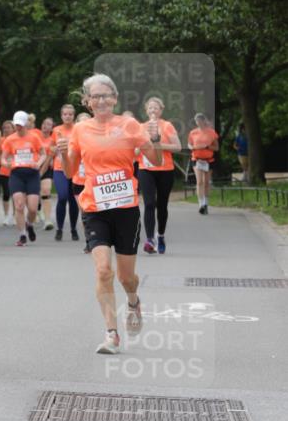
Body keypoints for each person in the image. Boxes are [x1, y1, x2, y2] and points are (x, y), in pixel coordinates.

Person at [60, 73, 162, 355]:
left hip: (126, 207)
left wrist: (151, 142)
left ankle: (132, 300)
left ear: (115, 98)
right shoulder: (80, 131)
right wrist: (61, 155)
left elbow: (155, 160)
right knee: (103, 270)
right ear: (87, 101)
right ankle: (111, 333)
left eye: (106, 95)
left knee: (126, 276)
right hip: (95, 207)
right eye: (95, 96)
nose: (101, 100)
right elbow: (71, 173)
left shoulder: (129, 125)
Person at [137, 97, 181, 254]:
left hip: (165, 169)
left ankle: (160, 235)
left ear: (161, 110)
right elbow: (136, 147)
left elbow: (178, 147)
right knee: (149, 204)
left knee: (162, 206)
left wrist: (158, 145)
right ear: (146, 110)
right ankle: (150, 239)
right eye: (150, 108)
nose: (153, 110)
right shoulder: (141, 127)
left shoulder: (167, 126)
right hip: (145, 169)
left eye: (156, 108)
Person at [1, 111, 46, 246]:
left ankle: (30, 224)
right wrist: (6, 163)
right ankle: (22, 235)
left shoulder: (34, 138)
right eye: (16, 125)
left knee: (32, 208)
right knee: (19, 206)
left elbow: (43, 154)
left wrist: (38, 164)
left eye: (21, 124)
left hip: (32, 174)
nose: (18, 127)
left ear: (26, 123)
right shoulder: (10, 139)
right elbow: (3, 157)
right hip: (16, 174)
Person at [52, 103, 80, 242]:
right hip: (59, 168)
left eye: (70, 114)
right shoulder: (56, 130)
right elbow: (51, 147)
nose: (67, 116)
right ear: (61, 116)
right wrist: (54, 150)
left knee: (73, 199)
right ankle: (59, 228)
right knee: (62, 197)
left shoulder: (78, 129)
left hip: (74, 168)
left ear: (73, 116)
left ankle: (74, 228)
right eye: (65, 114)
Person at [188, 113, 219, 214]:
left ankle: (206, 203)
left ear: (204, 121)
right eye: (197, 121)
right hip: (196, 159)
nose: (199, 122)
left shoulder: (211, 132)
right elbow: (189, 144)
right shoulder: (193, 133)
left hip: (208, 160)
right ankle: (200, 204)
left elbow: (216, 148)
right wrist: (191, 147)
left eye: (201, 120)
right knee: (199, 181)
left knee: (206, 182)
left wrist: (207, 147)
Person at [37, 117, 55, 230]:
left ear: (52, 128)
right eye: (44, 123)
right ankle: (38, 210)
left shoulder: (52, 140)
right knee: (35, 193)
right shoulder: (35, 136)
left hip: (47, 168)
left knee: (46, 190)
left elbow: (50, 156)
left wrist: (42, 170)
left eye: (48, 124)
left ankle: (48, 220)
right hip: (33, 167)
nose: (45, 126)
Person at [0, 120, 15, 226]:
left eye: (9, 127)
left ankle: (16, 214)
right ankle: (7, 216)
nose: (6, 129)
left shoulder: (17, 139)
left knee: (16, 194)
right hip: (4, 170)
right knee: (6, 193)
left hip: (16, 170)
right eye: (5, 128)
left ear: (13, 129)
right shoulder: (1, 140)